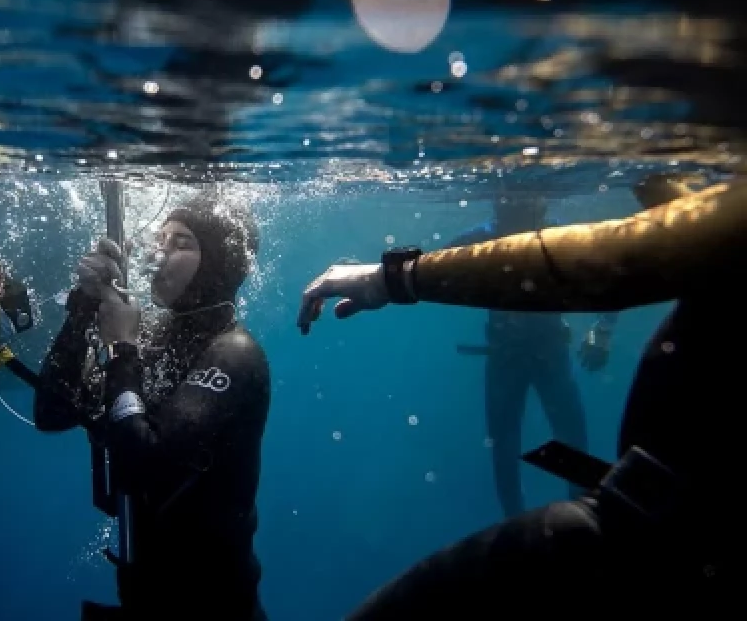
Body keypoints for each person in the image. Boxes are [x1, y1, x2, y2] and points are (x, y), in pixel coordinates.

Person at [295, 173, 738, 617]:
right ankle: (518, 513)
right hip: (656, 516)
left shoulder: (550, 229)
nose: (524, 207)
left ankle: (556, 512)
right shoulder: (486, 235)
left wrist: (393, 279)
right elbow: (673, 240)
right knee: (508, 443)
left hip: (649, 515)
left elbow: (635, 252)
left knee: (559, 436)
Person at [35, 192, 271, 621]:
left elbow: (145, 462)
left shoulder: (234, 354)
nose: (159, 252)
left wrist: (122, 349)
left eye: (181, 243)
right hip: (144, 600)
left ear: (219, 264)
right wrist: (84, 306)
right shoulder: (153, 336)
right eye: (160, 237)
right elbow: (52, 412)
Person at [442, 190, 617, 516]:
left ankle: (580, 526)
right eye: (512, 204)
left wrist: (603, 330)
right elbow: (428, 266)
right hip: (520, 357)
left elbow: (610, 274)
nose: (518, 212)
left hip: (532, 355)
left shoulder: (535, 237)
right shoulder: (487, 237)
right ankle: (530, 531)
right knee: (512, 451)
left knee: (557, 447)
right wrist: (602, 330)